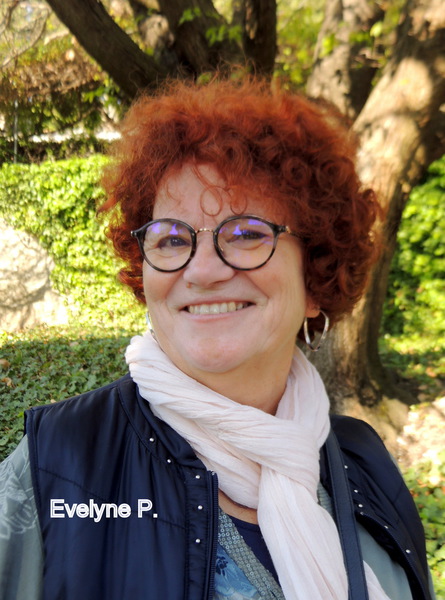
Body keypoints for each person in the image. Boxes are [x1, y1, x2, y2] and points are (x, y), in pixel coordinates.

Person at [0, 77, 435, 600]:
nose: (202, 271)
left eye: (247, 233)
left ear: (315, 279)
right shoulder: (59, 466)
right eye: (171, 238)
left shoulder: (363, 464)